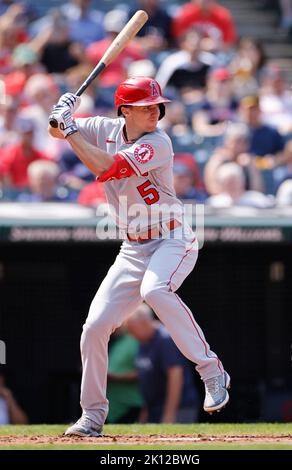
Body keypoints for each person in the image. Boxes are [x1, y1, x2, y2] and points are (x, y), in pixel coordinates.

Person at [48, 76, 230, 437]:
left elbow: (107, 168)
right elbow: (58, 130)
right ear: (125, 110)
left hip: (171, 237)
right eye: (146, 107)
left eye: (157, 106)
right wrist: (60, 114)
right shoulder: (103, 127)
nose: (155, 112)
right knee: (95, 328)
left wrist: (69, 130)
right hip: (132, 246)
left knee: (155, 290)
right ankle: (92, 416)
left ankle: (211, 370)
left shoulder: (158, 141)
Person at [126, 304, 200, 423]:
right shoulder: (143, 342)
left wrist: (169, 415)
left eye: (132, 329)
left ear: (144, 323)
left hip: (179, 409)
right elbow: (147, 377)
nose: (131, 335)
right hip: (155, 409)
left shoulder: (165, 339)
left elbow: (175, 377)